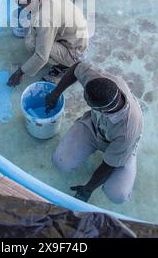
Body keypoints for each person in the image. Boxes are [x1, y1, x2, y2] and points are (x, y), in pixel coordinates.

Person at [45, 62, 143, 204]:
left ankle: (127, 155)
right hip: (94, 125)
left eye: (87, 102)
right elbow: (76, 68)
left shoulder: (127, 131)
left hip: (121, 143)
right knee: (61, 163)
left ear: (101, 109)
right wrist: (56, 93)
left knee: (117, 194)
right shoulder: (100, 83)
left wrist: (88, 189)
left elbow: (108, 165)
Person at [7, 0, 89, 87]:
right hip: (74, 37)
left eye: (19, 4)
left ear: (30, 1)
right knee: (36, 33)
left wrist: (20, 72)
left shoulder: (44, 18)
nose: (20, 7)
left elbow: (42, 56)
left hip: (75, 52)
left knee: (32, 43)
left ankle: (64, 67)